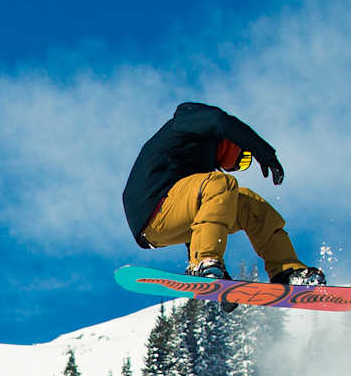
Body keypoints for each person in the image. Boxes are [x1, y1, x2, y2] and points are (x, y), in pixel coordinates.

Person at [123, 102, 320, 284]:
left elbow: (201, 224)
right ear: (232, 140)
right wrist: (264, 153)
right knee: (221, 184)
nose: (235, 167)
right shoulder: (188, 123)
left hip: (164, 222)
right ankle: (204, 262)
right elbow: (221, 121)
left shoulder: (199, 170)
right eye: (243, 159)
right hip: (152, 206)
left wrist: (219, 280)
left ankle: (286, 271)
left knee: (250, 204)